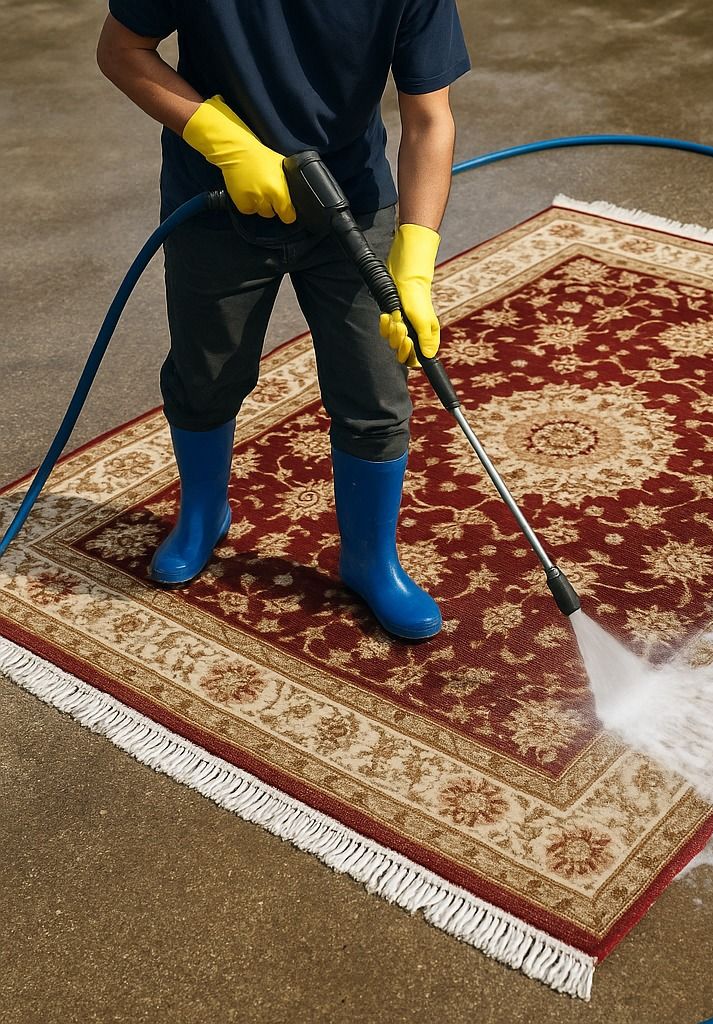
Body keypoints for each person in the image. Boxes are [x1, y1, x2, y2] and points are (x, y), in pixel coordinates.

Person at [95, 1, 471, 641]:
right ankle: (204, 515)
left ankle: (370, 560)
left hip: (349, 199)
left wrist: (415, 258)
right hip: (216, 203)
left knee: (375, 394)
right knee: (205, 375)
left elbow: (430, 118)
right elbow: (120, 50)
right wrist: (224, 141)